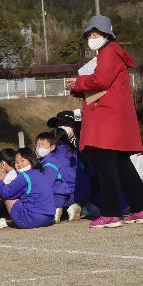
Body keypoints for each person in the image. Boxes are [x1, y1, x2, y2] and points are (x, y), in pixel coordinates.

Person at [65, 15, 143, 228]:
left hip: (107, 118)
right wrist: (80, 86)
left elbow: (101, 80)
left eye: (96, 33)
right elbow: (104, 84)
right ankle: (139, 207)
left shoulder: (108, 52)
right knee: (121, 164)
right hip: (114, 117)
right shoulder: (112, 51)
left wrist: (78, 82)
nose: (92, 37)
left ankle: (111, 212)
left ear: (106, 34)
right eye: (90, 34)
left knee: (104, 165)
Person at [0, 148, 55, 229]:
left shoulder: (25, 175)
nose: (19, 164)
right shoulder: (40, 173)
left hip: (32, 220)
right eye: (16, 162)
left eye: (22, 160)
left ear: (31, 160)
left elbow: (6, 193)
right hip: (49, 218)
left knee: (4, 195)